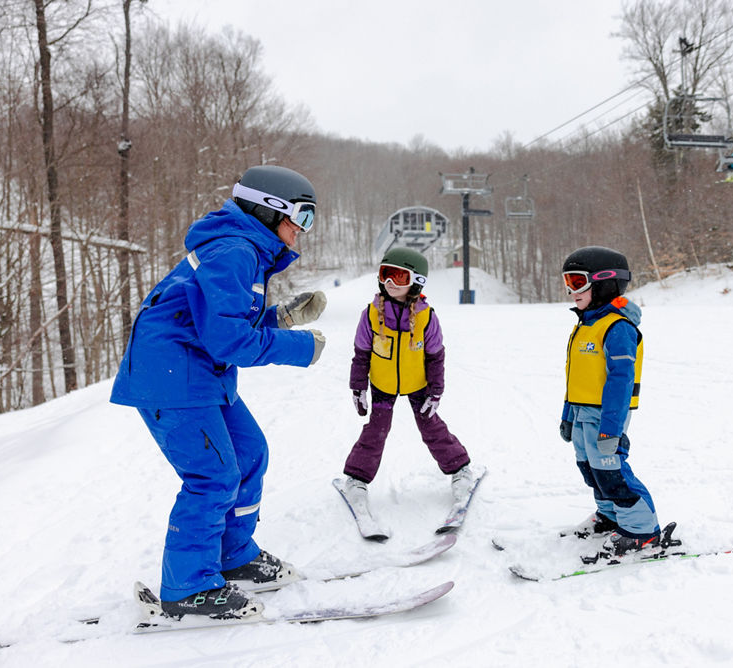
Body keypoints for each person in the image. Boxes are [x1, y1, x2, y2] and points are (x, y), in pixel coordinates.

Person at [110, 165, 328, 620]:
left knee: (249, 454)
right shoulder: (235, 251)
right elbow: (228, 340)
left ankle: (233, 556)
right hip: (171, 377)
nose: (303, 230)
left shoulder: (245, 249)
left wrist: (281, 318)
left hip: (198, 372)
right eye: (301, 217)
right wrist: (299, 347)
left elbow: (222, 319)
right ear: (269, 210)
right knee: (213, 476)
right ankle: (188, 587)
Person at [341, 247, 478, 504]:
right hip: (383, 384)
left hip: (418, 384)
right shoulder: (370, 314)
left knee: (431, 427)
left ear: (416, 281)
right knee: (377, 429)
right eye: (386, 274)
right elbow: (361, 354)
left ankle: (460, 470)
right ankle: (356, 479)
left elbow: (435, 356)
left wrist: (435, 391)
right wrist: (358, 387)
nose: (390, 283)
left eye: (399, 277)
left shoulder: (426, 317)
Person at [558, 246, 661, 560]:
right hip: (582, 411)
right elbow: (574, 376)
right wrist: (567, 415)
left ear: (604, 283)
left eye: (578, 282)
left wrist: (611, 429)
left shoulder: (618, 328)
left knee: (611, 471)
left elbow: (620, 382)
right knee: (590, 468)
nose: (571, 290)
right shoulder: (585, 324)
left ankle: (642, 530)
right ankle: (610, 515)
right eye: (568, 282)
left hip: (606, 415)